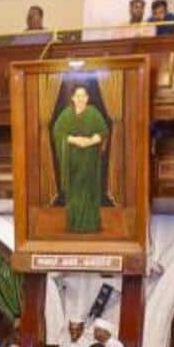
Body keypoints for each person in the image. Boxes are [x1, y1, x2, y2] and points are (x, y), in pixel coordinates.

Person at [52, 84, 110, 234]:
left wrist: (90, 141)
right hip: (72, 163)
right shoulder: (66, 114)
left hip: (90, 161)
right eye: (78, 96)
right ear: (72, 98)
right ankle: (75, 224)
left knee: (89, 191)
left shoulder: (94, 113)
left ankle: (91, 225)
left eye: (83, 96)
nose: (80, 99)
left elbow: (103, 132)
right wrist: (74, 139)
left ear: (87, 98)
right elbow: (58, 133)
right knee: (75, 193)